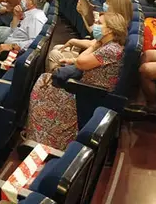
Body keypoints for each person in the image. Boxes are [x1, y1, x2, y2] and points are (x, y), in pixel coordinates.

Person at [23, 12, 126, 150]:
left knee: (42, 86)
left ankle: (45, 141)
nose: (95, 25)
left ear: (109, 30)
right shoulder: (109, 45)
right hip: (85, 86)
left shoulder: (110, 49)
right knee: (44, 79)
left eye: (99, 23)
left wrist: (94, 45)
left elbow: (81, 62)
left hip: (89, 93)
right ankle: (37, 136)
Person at [48, 0, 133, 70]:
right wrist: (83, 13)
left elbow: (93, 45)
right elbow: (95, 37)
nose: (104, 4)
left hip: (92, 67)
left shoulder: (114, 30)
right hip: (93, 59)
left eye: (107, 2)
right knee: (58, 49)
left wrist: (73, 43)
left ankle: (55, 76)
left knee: (55, 54)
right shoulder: (115, 24)